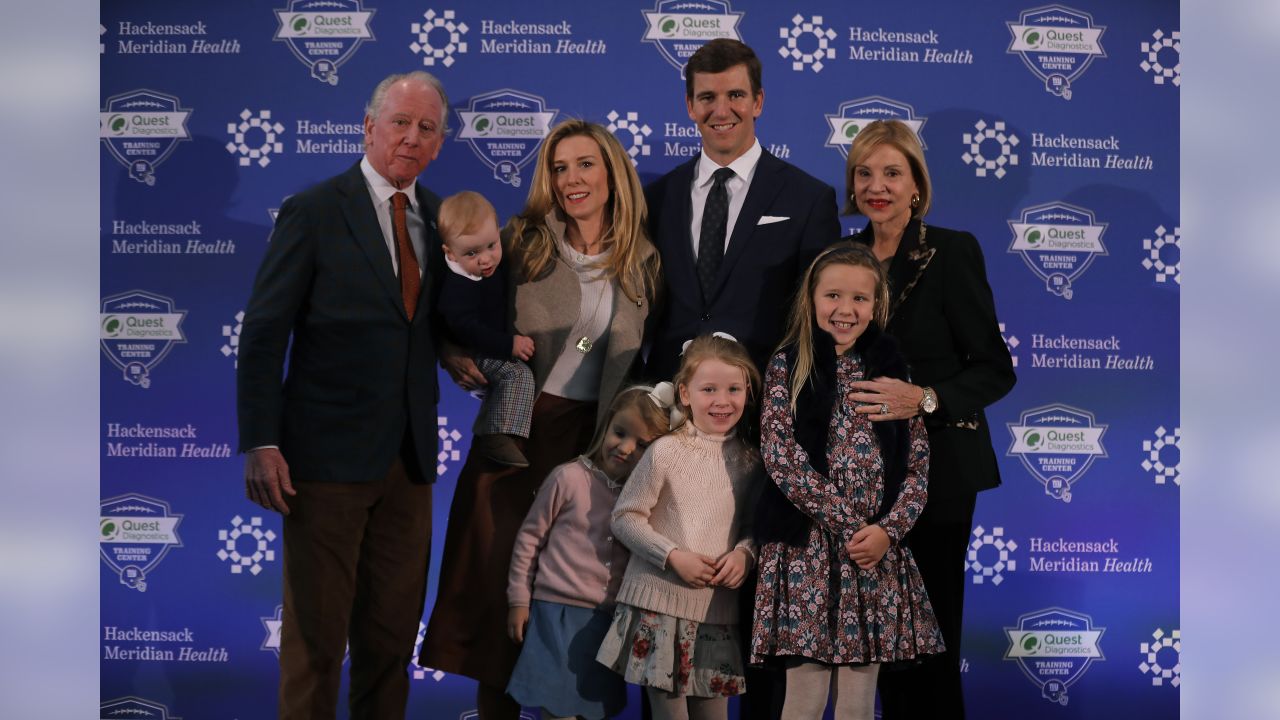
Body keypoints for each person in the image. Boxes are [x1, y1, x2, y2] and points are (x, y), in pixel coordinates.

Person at [421, 119, 662, 720]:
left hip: (592, 446)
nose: (571, 179)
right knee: (494, 584)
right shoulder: (520, 238)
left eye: (584, 164)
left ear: (612, 172)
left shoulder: (645, 259)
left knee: (567, 599)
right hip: (515, 437)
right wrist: (452, 353)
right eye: (559, 167)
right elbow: (451, 304)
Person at [236, 71, 448, 719]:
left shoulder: (441, 219)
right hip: (323, 465)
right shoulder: (316, 209)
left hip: (408, 467)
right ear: (368, 127)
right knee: (317, 643)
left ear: (440, 142)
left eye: (427, 128)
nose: (411, 139)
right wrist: (261, 440)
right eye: (400, 123)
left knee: (389, 644)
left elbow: (439, 328)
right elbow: (264, 333)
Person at [839, 120, 1016, 718]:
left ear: (917, 185)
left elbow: (994, 369)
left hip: (939, 473)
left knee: (930, 641)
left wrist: (926, 399)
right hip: (859, 478)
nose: (877, 186)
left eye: (892, 173)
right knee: (872, 646)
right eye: (864, 173)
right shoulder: (840, 261)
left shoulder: (952, 251)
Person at [752, 243, 945, 720]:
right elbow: (782, 457)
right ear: (811, 299)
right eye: (833, 295)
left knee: (859, 700)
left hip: (873, 553)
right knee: (804, 695)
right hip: (807, 551)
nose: (845, 309)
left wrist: (886, 531)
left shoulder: (892, 372)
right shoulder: (787, 365)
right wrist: (850, 522)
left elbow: (917, 467)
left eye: (860, 299)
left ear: (877, 304)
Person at [644, 38, 840, 380]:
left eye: (735, 95)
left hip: (764, 403)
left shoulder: (808, 199)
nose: (721, 111)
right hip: (667, 399)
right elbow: (622, 314)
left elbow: (818, 320)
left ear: (758, 102)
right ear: (690, 106)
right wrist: (579, 348)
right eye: (707, 97)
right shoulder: (655, 199)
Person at [597, 334, 763, 720]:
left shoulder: (752, 461)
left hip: (716, 613)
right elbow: (625, 517)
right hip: (660, 607)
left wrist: (745, 554)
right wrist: (672, 556)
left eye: (733, 389)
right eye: (709, 389)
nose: (722, 400)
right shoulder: (666, 450)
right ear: (685, 394)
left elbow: (756, 528)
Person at [505, 385, 673, 720]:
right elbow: (529, 540)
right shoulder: (567, 478)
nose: (625, 448)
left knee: (591, 710)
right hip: (555, 614)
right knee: (556, 711)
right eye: (620, 433)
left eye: (642, 445)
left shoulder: (643, 502)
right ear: (607, 424)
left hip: (609, 620)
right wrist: (519, 600)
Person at [437, 190, 536, 468]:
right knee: (516, 374)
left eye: (492, 245)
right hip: (479, 352)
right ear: (450, 253)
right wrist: (509, 344)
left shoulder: (496, 263)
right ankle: (496, 436)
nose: (485, 259)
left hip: (501, 343)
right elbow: (466, 330)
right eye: (472, 253)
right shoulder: (457, 287)